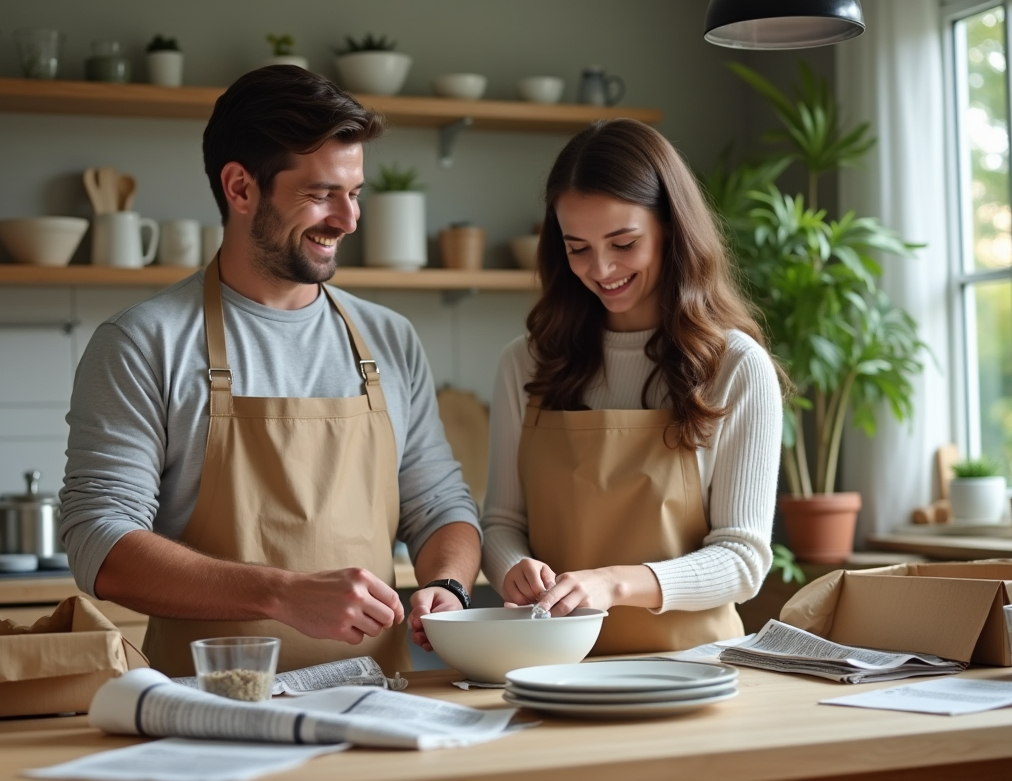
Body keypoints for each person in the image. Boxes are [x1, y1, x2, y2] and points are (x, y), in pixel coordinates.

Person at [60, 66, 481, 677]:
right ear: (240, 189)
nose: (348, 220)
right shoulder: (144, 342)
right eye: (320, 194)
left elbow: (441, 505)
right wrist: (282, 594)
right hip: (211, 713)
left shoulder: (389, 338)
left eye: (354, 192)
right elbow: (100, 542)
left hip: (378, 703)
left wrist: (449, 585)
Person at [480, 118, 782, 654]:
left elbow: (743, 560)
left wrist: (612, 583)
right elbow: (502, 521)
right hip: (552, 667)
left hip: (692, 669)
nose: (601, 269)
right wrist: (512, 569)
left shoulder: (736, 366)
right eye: (578, 248)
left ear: (672, 227)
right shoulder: (524, 363)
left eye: (623, 242)